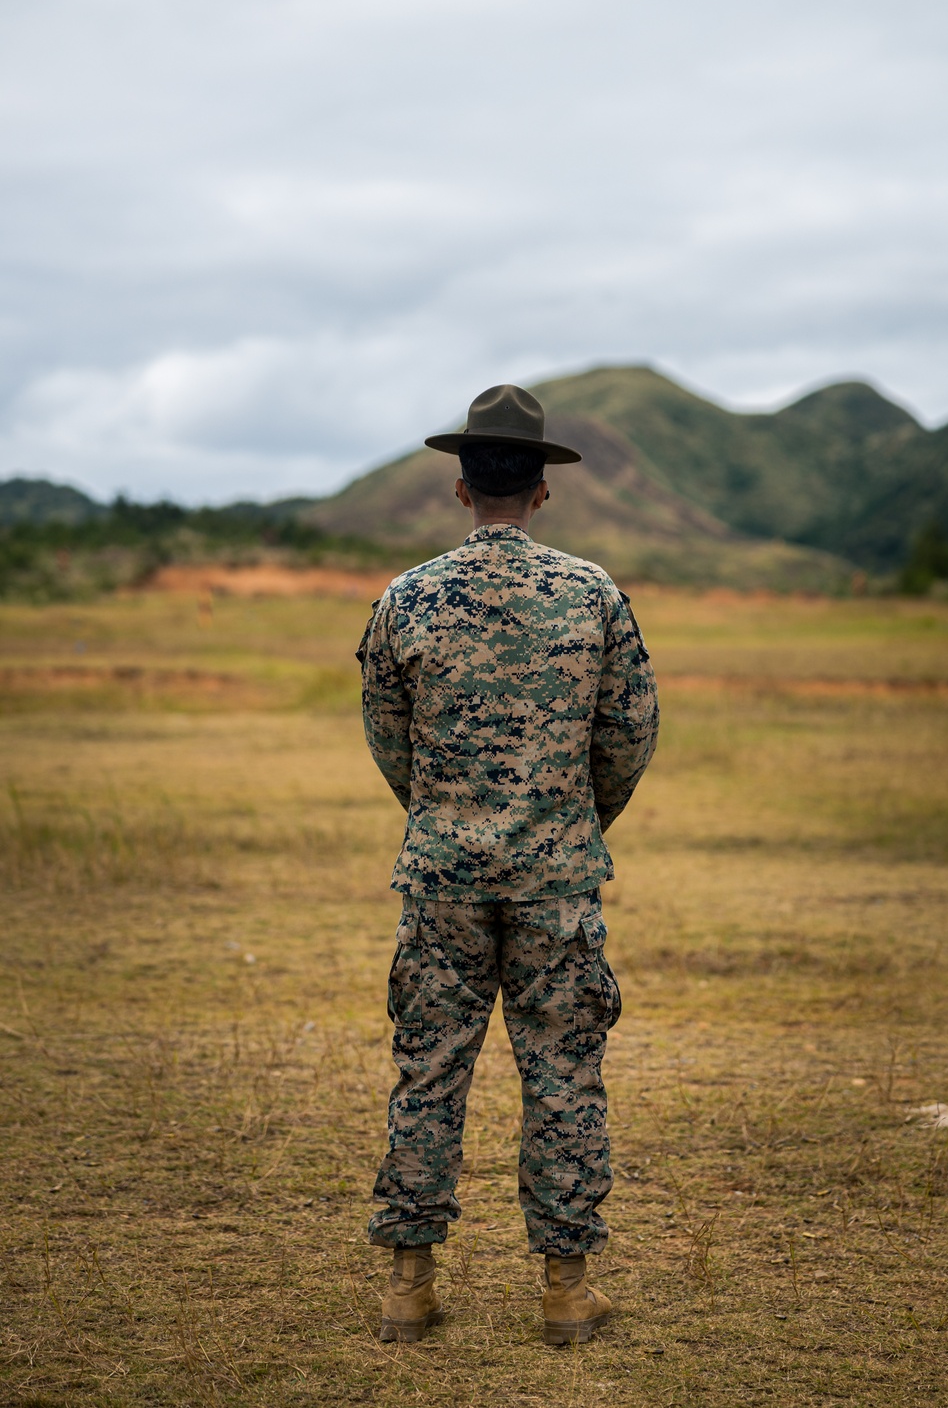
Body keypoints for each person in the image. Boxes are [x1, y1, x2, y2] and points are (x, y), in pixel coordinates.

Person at [357, 383, 659, 1346]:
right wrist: (570, 819)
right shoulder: (592, 593)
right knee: (564, 1074)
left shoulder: (409, 596)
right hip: (555, 881)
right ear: (540, 489)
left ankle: (411, 1287)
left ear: (460, 488)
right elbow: (630, 733)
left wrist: (442, 813)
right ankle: (566, 1291)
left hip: (440, 875)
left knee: (429, 1071)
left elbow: (384, 731)